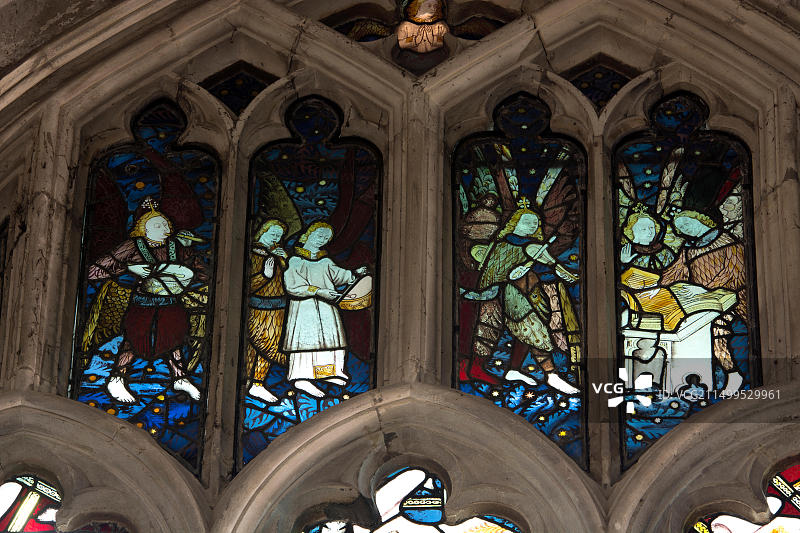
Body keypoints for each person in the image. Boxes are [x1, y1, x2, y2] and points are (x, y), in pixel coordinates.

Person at [87, 198, 204, 403]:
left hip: (171, 302)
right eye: (157, 225)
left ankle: (180, 378)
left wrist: (191, 270)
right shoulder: (131, 246)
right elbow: (97, 270)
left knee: (175, 339)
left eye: (165, 225)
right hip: (143, 303)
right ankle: (117, 378)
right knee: (133, 340)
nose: (164, 229)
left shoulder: (177, 247)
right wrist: (127, 269)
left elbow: (201, 271)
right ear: (143, 229)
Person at [464, 208, 580, 395]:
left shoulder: (533, 247)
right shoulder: (502, 244)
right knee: (528, 331)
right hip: (503, 294)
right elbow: (494, 271)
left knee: (528, 332)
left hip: (524, 294)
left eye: (535, 223)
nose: (532, 225)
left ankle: (518, 370)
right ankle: (549, 374)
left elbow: (553, 265)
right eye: (527, 221)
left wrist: (566, 274)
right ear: (515, 223)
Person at [283, 222, 368, 398]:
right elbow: (292, 286)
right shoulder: (296, 261)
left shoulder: (325, 261)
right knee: (305, 341)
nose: (322, 240)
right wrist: (317, 291)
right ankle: (301, 377)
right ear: (307, 235)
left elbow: (340, 275)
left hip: (327, 306)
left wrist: (355, 273)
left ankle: (330, 372)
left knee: (331, 338)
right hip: (304, 308)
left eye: (326, 238)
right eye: (319, 235)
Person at [244, 219, 288, 403]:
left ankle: (258, 382)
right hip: (257, 308)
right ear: (262, 232)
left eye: (279, 236)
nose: (276, 238)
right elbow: (246, 286)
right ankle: (248, 382)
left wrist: (285, 260)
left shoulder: (278, 255)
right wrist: (264, 275)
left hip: (278, 308)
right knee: (256, 345)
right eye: (273, 233)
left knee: (271, 346)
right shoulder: (252, 254)